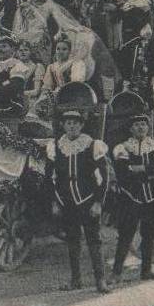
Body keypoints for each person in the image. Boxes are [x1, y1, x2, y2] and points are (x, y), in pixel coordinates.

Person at [47, 110, 110, 293]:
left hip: (88, 202)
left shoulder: (92, 145)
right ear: (63, 126)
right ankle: (76, 281)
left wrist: (98, 202)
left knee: (94, 241)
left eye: (75, 122)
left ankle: (100, 281)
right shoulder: (57, 147)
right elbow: (51, 178)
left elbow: (103, 178)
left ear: (81, 125)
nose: (72, 126)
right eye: (68, 123)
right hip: (67, 203)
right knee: (72, 242)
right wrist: (55, 202)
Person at [110, 114, 154, 283]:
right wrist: (150, 169)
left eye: (143, 124)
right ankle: (116, 273)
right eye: (137, 125)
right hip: (132, 196)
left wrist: (138, 168)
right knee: (126, 234)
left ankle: (146, 271)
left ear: (148, 127)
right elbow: (123, 172)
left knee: (149, 234)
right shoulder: (123, 148)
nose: (141, 128)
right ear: (131, 129)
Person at [115, 0, 153, 82]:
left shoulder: (142, 2)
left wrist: (121, 9)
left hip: (137, 39)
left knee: (135, 65)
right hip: (127, 40)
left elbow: (135, 19)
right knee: (125, 65)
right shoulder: (129, 3)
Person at [0, 34, 30, 119]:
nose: (0, 50)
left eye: (4, 46)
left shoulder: (17, 64)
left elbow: (14, 86)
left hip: (11, 102)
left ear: (13, 49)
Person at [40, 31, 87, 98]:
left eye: (64, 49)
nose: (60, 52)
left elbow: (76, 84)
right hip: (57, 96)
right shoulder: (52, 67)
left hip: (74, 95)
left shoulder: (76, 63)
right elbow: (47, 87)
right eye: (58, 49)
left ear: (69, 51)